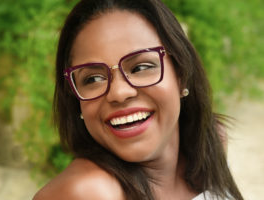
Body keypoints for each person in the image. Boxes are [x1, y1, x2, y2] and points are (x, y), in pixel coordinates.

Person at [33, 0, 243, 199]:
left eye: (141, 67)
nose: (119, 93)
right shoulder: (89, 192)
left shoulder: (211, 141)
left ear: (181, 74)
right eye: (93, 78)